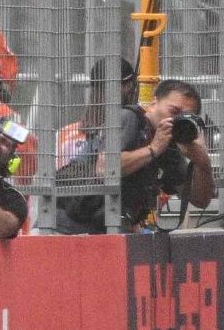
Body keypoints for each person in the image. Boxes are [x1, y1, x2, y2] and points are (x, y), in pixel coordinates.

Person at [56, 77, 214, 233]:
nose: (175, 120)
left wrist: (202, 164)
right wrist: (154, 148)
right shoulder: (130, 119)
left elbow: (199, 200)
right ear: (154, 103)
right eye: (173, 112)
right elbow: (105, 169)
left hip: (105, 228)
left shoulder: (168, 146)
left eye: (185, 118)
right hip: (68, 225)